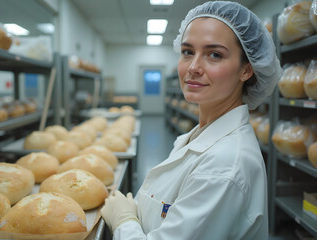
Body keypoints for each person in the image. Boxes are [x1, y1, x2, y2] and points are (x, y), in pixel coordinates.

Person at [101, 1, 282, 239]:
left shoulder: (224, 166)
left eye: (214, 55)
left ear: (246, 70)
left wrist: (124, 221)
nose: (194, 67)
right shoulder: (198, 136)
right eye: (187, 52)